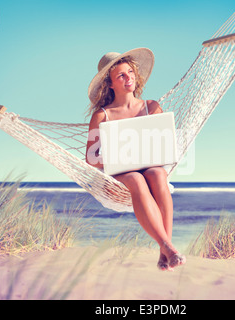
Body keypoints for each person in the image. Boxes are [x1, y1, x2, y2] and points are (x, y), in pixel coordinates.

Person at [86, 48, 186, 271]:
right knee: (136, 179)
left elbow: (165, 144)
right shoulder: (102, 115)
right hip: (119, 177)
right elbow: (91, 158)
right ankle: (167, 247)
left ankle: (165, 250)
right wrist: (117, 156)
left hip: (150, 167)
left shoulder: (151, 108)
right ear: (110, 83)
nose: (128, 77)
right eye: (121, 75)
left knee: (158, 173)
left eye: (130, 72)